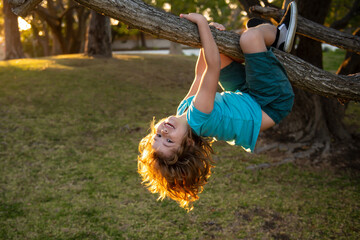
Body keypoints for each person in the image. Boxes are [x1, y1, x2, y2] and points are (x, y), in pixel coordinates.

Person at [138, 2, 298, 211]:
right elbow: (211, 68)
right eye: (168, 141)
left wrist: (211, 35)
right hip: (270, 103)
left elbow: (201, 73)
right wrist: (202, 23)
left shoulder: (182, 112)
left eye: (157, 137)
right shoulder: (198, 116)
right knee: (250, 39)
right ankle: (279, 36)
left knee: (220, 51)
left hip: (245, 96)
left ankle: (260, 42)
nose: (162, 132)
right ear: (189, 143)